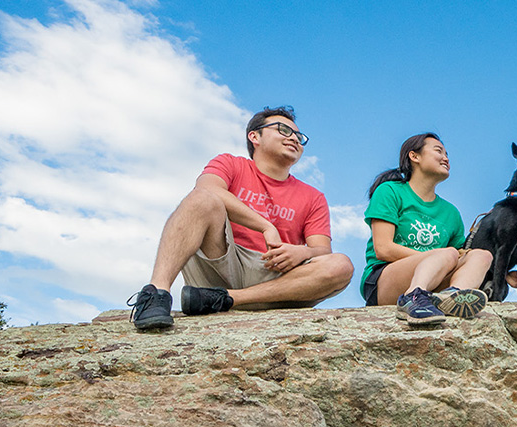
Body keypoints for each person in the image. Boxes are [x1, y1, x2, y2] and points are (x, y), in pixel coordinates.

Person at [127, 107, 354, 331]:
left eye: (299, 136)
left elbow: (323, 250)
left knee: (341, 265)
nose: (294, 138)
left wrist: (302, 252)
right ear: (254, 136)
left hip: (276, 279)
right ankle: (156, 295)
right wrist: (265, 226)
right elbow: (207, 189)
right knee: (201, 199)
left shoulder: (313, 196)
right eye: (284, 130)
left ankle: (226, 299)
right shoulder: (230, 163)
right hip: (222, 264)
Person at [361, 133, 492, 325]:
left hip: (434, 281)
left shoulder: (451, 212)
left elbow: (461, 255)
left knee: (482, 255)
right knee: (447, 254)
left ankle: (451, 297)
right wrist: (437, 258)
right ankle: (412, 296)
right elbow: (383, 248)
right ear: (414, 156)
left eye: (447, 154)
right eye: (438, 151)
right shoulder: (390, 191)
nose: (446, 158)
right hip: (385, 280)